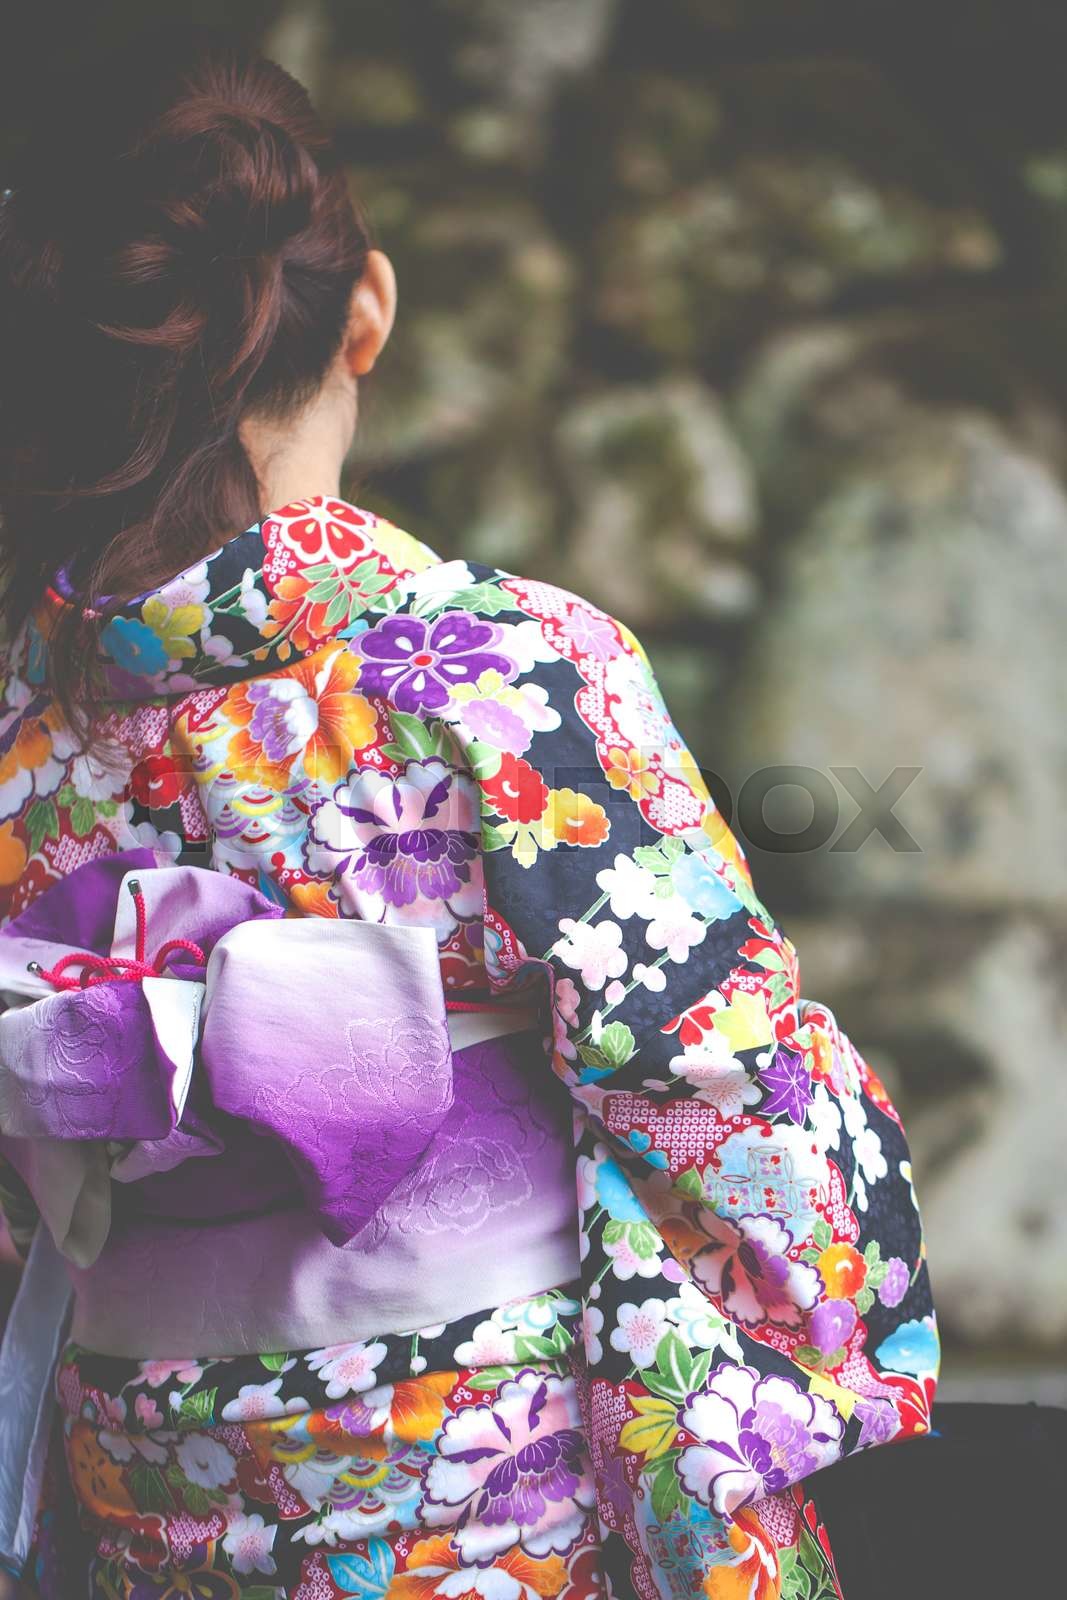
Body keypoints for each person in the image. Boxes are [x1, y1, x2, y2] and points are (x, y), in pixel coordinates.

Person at [0, 29, 936, 1600]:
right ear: (366, 312)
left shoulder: (29, 738)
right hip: (487, 1479)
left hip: (150, 1475)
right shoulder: (497, 668)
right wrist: (841, 1300)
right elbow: (705, 1056)